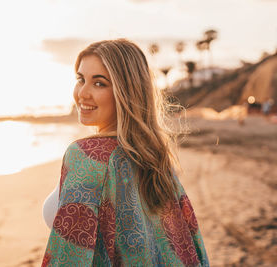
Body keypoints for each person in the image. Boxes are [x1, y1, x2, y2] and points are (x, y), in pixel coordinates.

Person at [41, 39, 209, 266]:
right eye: (81, 79)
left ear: (125, 91)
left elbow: (69, 256)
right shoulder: (155, 157)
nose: (83, 93)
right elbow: (186, 242)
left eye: (99, 83)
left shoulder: (86, 156)